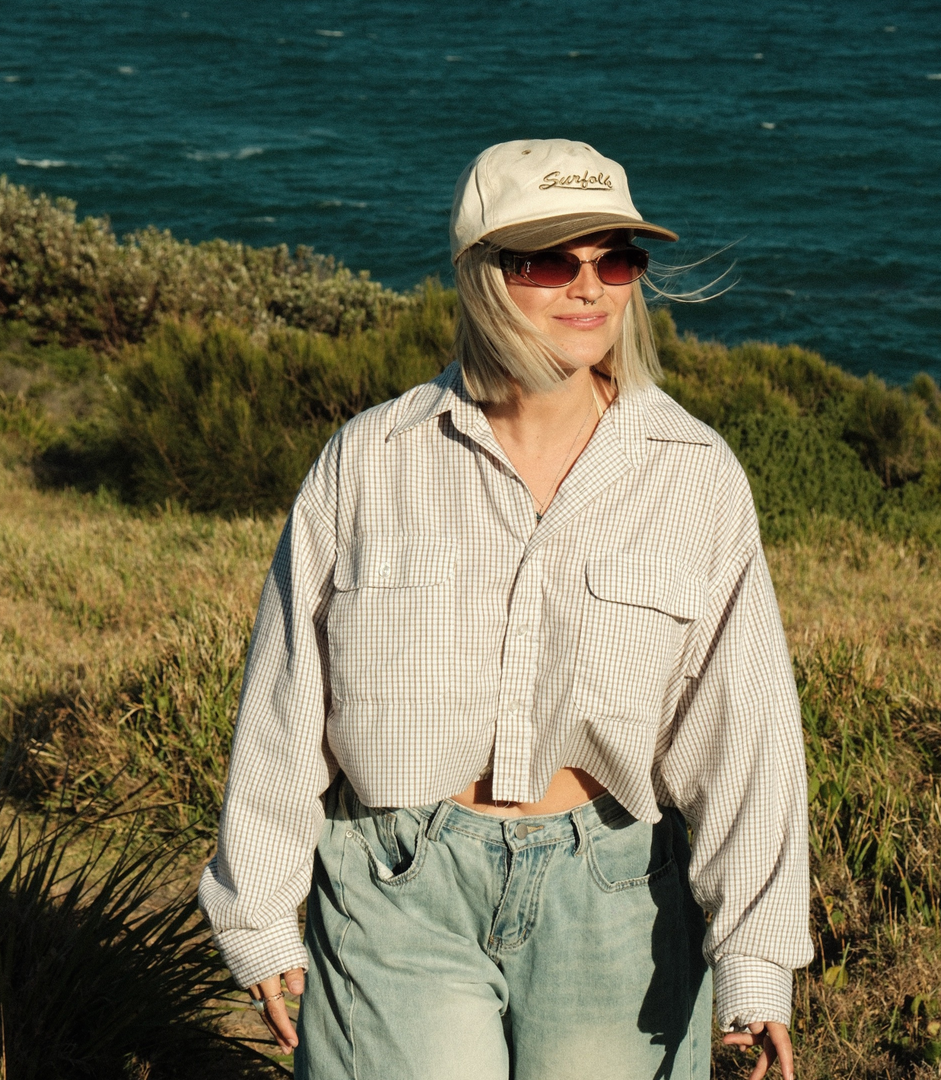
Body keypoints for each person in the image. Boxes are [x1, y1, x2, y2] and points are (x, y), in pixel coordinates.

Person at [199, 138, 813, 1080]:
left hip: (613, 892)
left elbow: (745, 730)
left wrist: (758, 957)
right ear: (482, 274)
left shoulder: (695, 476)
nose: (588, 288)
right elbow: (286, 703)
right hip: (399, 879)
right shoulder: (370, 461)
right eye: (547, 261)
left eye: (615, 259)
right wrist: (257, 912)